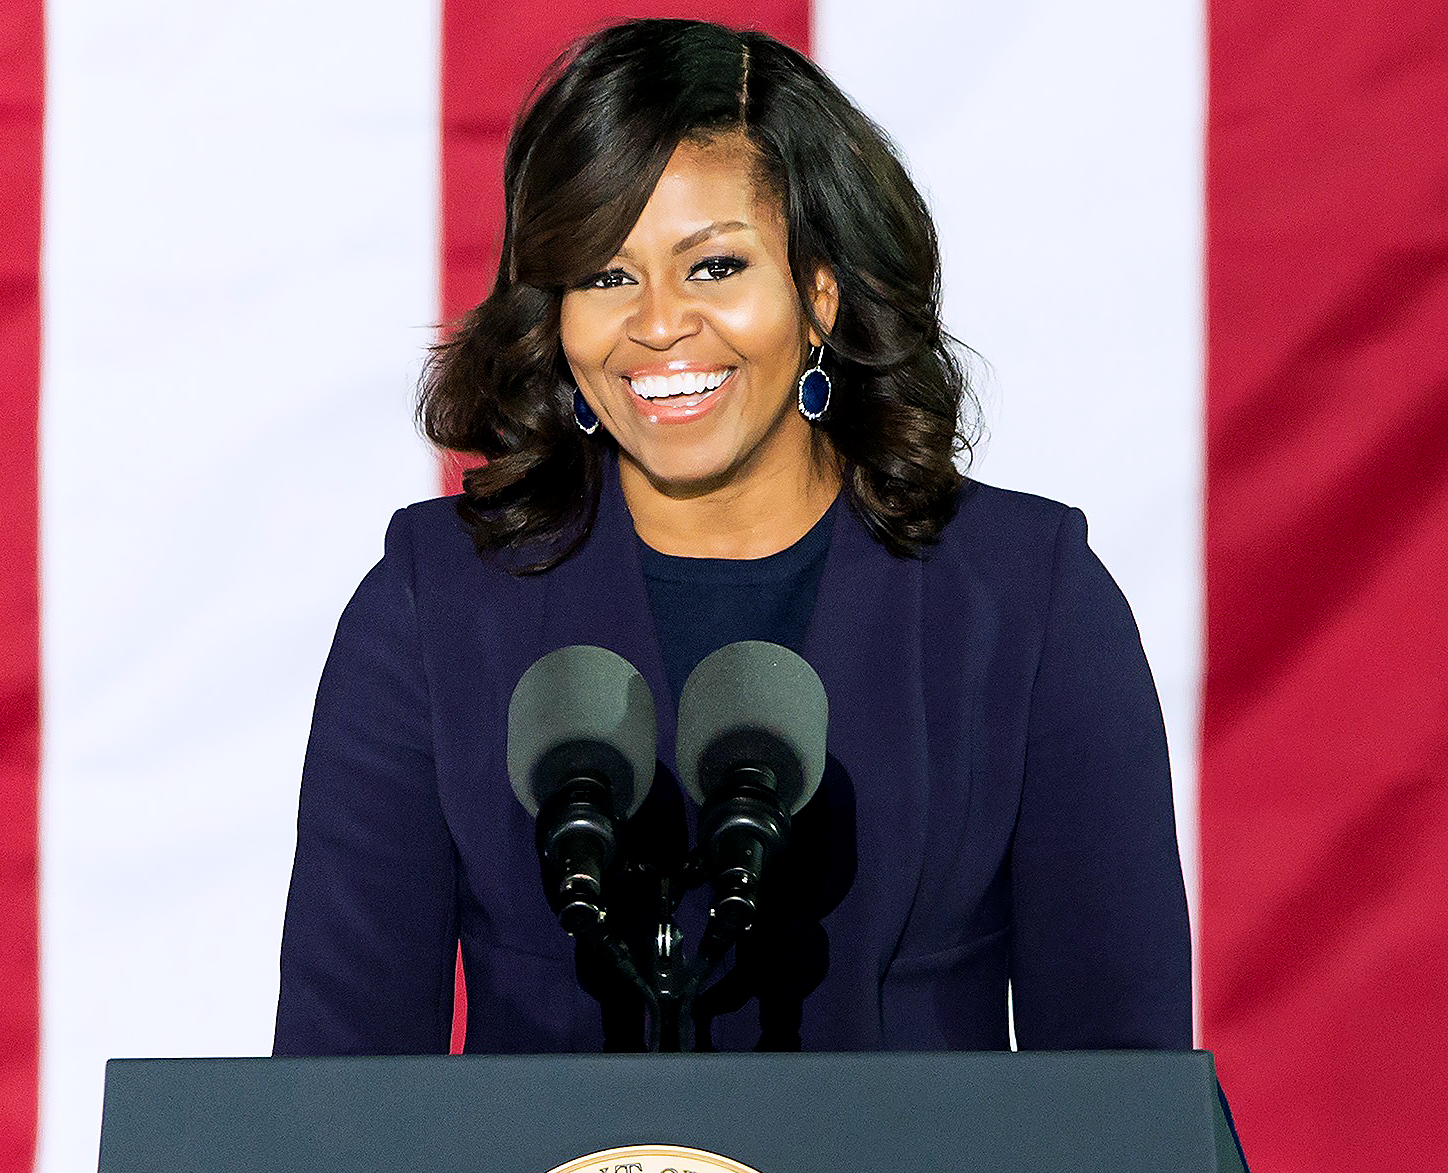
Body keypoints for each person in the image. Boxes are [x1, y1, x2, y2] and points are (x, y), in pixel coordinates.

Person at [274, 19, 1191, 1057]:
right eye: (605, 276)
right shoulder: (431, 607)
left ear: (818, 293)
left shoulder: (1027, 602)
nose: (658, 325)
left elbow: (1125, 1104)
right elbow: (330, 1103)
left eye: (711, 267)